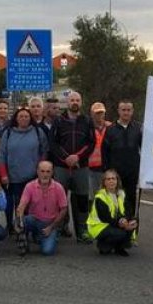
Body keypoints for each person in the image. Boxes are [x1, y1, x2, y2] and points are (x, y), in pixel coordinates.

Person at [51, 91, 96, 240]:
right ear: (67, 102)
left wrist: (78, 157)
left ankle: (82, 230)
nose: (75, 102)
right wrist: (66, 158)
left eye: (78, 100)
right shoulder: (58, 121)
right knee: (59, 198)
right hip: (61, 166)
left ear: (81, 102)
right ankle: (59, 227)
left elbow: (92, 143)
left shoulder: (88, 121)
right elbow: (53, 143)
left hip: (81, 166)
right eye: (72, 100)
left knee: (82, 199)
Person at [0, 107, 48, 234]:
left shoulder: (38, 131)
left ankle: (28, 228)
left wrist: (41, 170)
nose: (24, 118)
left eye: (26, 116)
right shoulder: (8, 133)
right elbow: (2, 155)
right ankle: (13, 227)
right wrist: (3, 174)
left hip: (32, 176)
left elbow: (44, 151)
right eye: (21, 116)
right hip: (13, 176)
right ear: (16, 118)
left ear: (30, 118)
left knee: (32, 203)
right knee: (16, 204)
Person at [14, 160, 69, 256]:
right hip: (34, 219)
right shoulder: (29, 186)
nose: (45, 174)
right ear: (37, 172)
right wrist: (20, 215)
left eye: (48, 172)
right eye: (42, 171)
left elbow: (64, 209)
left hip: (51, 223)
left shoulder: (59, 187)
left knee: (47, 251)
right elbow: (22, 204)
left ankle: (46, 236)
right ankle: (24, 240)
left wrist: (51, 227)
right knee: (21, 221)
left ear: (52, 173)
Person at [102, 99, 143, 218]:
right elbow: (104, 152)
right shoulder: (110, 129)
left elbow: (145, 149)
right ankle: (116, 230)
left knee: (132, 203)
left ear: (132, 111)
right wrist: (106, 171)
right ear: (119, 111)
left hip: (133, 174)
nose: (126, 113)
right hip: (115, 174)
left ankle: (131, 231)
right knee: (114, 202)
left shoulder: (139, 129)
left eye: (128, 110)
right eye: (123, 110)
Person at [87, 169, 137, 256]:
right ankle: (103, 245)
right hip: (100, 227)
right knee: (121, 233)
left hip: (115, 222)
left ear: (117, 181)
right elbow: (106, 218)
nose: (111, 181)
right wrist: (122, 223)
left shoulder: (122, 193)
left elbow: (129, 210)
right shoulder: (100, 197)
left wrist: (126, 219)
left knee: (134, 221)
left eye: (113, 179)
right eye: (108, 179)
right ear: (104, 182)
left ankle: (120, 248)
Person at [87, 102, 112, 195]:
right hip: (91, 167)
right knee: (93, 196)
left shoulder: (111, 127)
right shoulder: (87, 128)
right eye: (97, 113)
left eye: (101, 112)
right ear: (92, 114)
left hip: (107, 166)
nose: (99, 115)